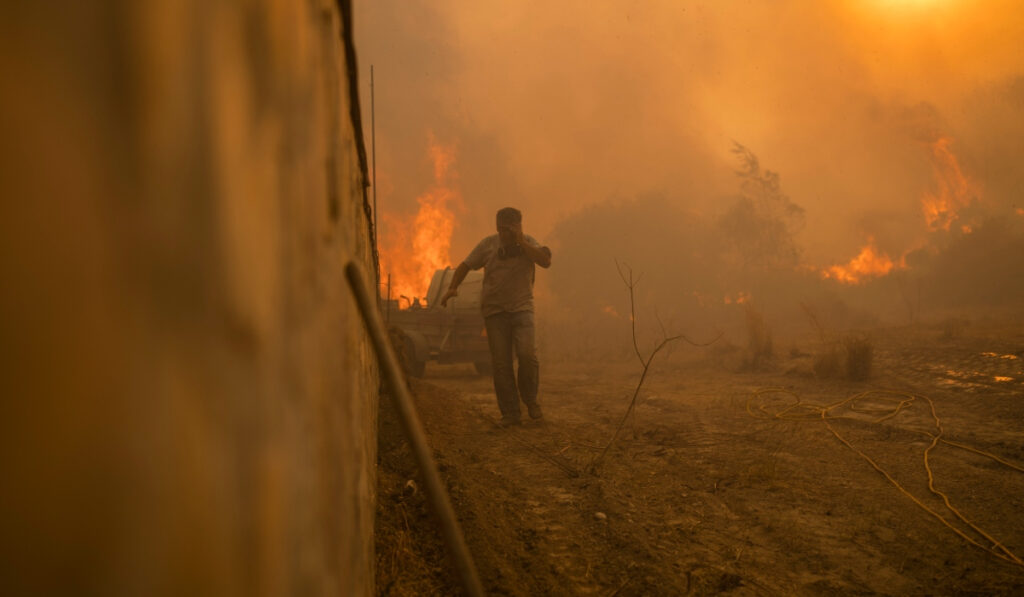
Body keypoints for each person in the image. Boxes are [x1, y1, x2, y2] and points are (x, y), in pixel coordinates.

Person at [440, 207, 552, 426]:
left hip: (522, 309)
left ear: (519, 226)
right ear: (497, 228)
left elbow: (545, 261)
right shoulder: (488, 245)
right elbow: (465, 265)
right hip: (495, 313)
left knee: (527, 355)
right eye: (502, 230)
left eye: (511, 229)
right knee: (501, 364)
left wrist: (522, 242)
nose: (506, 235)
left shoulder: (529, 243)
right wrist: (453, 287)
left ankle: (530, 401)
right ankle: (510, 413)